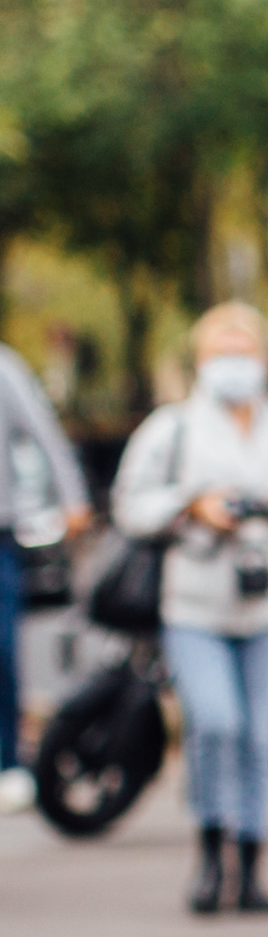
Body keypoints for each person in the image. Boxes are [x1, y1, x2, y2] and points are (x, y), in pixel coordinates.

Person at [110, 304, 268, 913]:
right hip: (195, 602)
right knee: (215, 723)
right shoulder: (173, 428)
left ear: (264, 360)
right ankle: (210, 850)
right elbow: (130, 505)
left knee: (260, 735)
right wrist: (195, 506)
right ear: (200, 363)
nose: (234, 367)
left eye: (244, 353)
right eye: (221, 355)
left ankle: (252, 861)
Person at [0, 341, 95, 815]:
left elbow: (44, 435)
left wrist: (73, 499)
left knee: (2, 650)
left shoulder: (4, 366)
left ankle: (7, 762)